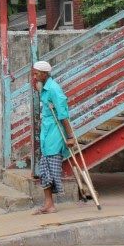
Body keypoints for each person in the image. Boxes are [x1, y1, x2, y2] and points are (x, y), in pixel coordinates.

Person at [31, 60, 76, 215]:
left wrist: (70, 137)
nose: (34, 77)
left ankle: (51, 205)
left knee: (50, 168)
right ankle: (49, 204)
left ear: (44, 74)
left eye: (36, 74)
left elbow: (63, 114)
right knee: (45, 169)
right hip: (47, 131)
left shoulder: (54, 89)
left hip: (55, 133)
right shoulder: (43, 88)